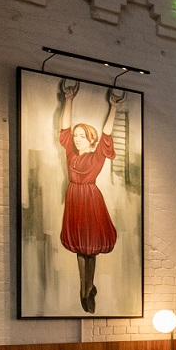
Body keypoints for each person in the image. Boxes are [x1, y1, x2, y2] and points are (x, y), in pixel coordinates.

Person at [57, 80, 124, 313]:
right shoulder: (71, 154)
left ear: (91, 140)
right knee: (80, 247)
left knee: (90, 248)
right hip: (75, 198)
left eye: (82, 137)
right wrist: (69, 99)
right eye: (76, 136)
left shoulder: (96, 157)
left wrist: (113, 107)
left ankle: (86, 291)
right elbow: (64, 130)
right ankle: (85, 289)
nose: (76, 139)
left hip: (90, 199)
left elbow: (106, 135)